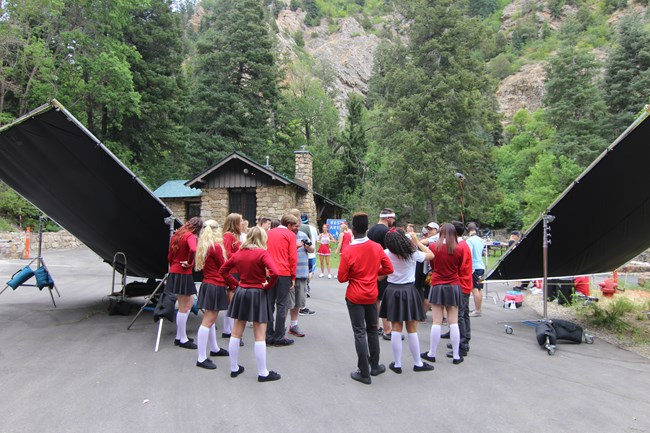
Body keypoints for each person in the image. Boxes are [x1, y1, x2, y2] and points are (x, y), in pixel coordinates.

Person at [338, 212, 394, 385]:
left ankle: (364, 372)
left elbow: (341, 277)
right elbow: (389, 268)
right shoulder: (376, 247)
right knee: (371, 329)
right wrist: (374, 274)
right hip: (371, 293)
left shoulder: (349, 251)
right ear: (367, 228)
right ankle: (374, 365)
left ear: (353, 230)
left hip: (355, 295)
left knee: (359, 332)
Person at [220, 227, 281, 382]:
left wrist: (236, 284)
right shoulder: (262, 253)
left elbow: (223, 270)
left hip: (242, 291)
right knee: (259, 334)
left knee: (236, 332)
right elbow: (275, 272)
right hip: (258, 292)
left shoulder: (239, 253)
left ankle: (234, 368)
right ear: (262, 238)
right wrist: (267, 286)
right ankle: (263, 373)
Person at [379, 229, 435, 374]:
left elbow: (380, 274)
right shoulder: (412, 253)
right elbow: (431, 255)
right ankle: (418, 363)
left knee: (396, 327)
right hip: (409, 290)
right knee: (412, 329)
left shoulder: (385, 253)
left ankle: (397, 364)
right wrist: (416, 242)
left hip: (392, 290)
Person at [421, 223, 470, 365]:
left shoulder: (434, 247)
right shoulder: (460, 248)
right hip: (454, 285)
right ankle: (456, 355)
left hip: (437, 285)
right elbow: (460, 267)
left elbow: (433, 265)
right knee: (453, 322)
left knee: (436, 321)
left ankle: (432, 353)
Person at [194, 220, 230, 369]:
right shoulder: (215, 247)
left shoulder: (204, 246)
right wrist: (235, 284)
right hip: (215, 285)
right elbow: (224, 269)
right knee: (208, 321)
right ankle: (201, 357)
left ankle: (214, 348)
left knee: (211, 320)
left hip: (208, 284)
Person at [166, 217, 202, 349]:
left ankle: (179, 336)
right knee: (183, 306)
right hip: (183, 272)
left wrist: (174, 265)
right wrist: (189, 262)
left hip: (175, 270)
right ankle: (182, 339)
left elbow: (169, 255)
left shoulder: (177, 235)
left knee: (189, 303)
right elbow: (193, 250)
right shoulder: (190, 236)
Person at [265, 213, 299, 346]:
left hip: (269, 272)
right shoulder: (290, 235)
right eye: (294, 226)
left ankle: (268, 335)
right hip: (283, 272)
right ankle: (279, 336)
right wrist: (293, 276)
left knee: (269, 303)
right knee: (282, 304)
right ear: (289, 225)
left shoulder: (269, 233)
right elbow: (292, 258)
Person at [443, 221, 473, 359]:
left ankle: (461, 346)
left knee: (459, 315)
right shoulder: (462, 245)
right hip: (464, 283)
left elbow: (460, 267)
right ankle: (464, 338)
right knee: (464, 313)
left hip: (461, 284)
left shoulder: (460, 246)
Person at [367, 208, 396, 340]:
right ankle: (388, 330)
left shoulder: (371, 230)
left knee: (376, 299)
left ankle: (375, 327)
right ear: (388, 218)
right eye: (393, 219)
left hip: (372, 268)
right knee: (386, 299)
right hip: (383, 269)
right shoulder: (387, 232)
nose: (393, 222)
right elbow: (392, 251)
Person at [288, 222, 314, 337]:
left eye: (299, 225)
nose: (298, 228)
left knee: (298, 301)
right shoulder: (286, 235)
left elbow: (312, 249)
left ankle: (294, 325)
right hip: (289, 273)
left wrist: (308, 247)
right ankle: (281, 326)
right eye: (296, 226)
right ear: (289, 225)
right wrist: (296, 245)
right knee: (287, 302)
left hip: (302, 272)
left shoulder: (303, 234)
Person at [221, 213, 243, 339]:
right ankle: (231, 330)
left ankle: (227, 329)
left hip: (236, 270)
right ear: (234, 223)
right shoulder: (228, 236)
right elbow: (226, 253)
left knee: (232, 302)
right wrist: (240, 256)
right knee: (233, 302)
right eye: (240, 221)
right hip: (232, 271)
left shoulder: (234, 236)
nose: (242, 223)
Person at [466, 222, 486, 319]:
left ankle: (477, 310)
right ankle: (478, 308)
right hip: (481, 267)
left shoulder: (469, 241)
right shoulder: (481, 240)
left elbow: (469, 254)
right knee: (479, 288)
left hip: (474, 267)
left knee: (474, 288)